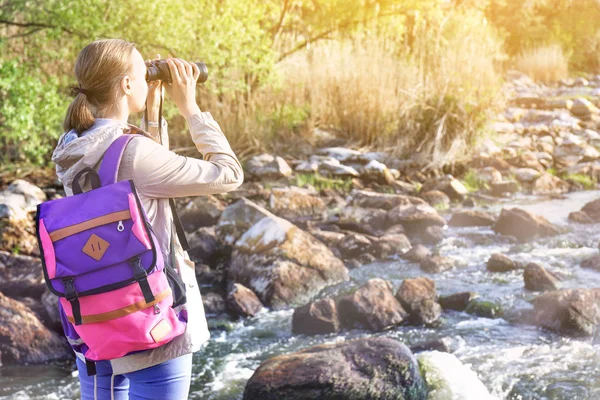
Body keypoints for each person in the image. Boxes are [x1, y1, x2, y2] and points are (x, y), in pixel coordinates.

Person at [52, 38, 244, 399]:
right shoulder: (133, 151)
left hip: (94, 317)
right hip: (148, 316)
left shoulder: (72, 144)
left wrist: (151, 115)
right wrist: (192, 110)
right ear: (126, 85)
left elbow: (134, 186)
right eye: (142, 75)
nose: (146, 80)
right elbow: (229, 173)